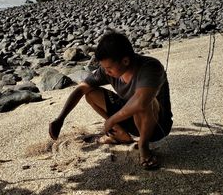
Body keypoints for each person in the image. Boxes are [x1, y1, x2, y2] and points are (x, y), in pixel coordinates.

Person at [49, 30, 173, 170]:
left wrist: (111, 120)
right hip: (132, 117)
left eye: (108, 68)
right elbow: (81, 88)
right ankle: (121, 135)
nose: (106, 72)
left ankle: (144, 146)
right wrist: (61, 118)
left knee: (142, 102)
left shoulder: (150, 67)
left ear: (125, 61)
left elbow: (141, 101)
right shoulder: (108, 70)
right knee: (91, 93)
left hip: (157, 125)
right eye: (103, 68)